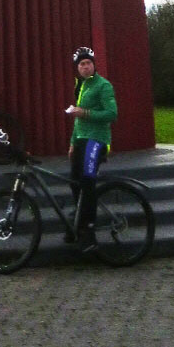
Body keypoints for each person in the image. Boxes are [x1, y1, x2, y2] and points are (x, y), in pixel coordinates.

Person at [67, 45, 117, 251]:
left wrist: (85, 113)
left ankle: (88, 231)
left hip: (97, 139)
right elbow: (78, 119)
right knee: (73, 180)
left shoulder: (103, 86)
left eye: (88, 63)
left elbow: (112, 113)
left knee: (87, 182)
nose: (85, 67)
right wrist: (72, 142)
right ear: (77, 68)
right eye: (81, 64)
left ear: (94, 65)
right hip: (81, 139)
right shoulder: (81, 86)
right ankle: (78, 220)